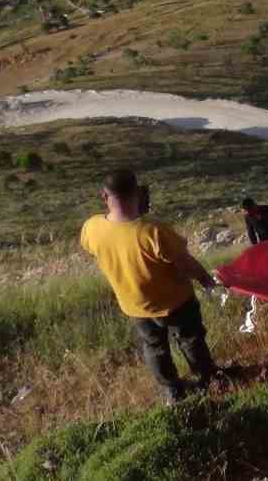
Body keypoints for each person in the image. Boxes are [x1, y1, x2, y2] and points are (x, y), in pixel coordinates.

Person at [80, 168, 218, 404]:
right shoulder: (154, 231)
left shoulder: (92, 227)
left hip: (134, 305)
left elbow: (94, 248)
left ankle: (171, 390)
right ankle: (207, 379)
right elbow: (185, 263)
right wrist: (206, 280)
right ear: (138, 193)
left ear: (104, 196)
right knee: (191, 339)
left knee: (154, 348)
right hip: (176, 302)